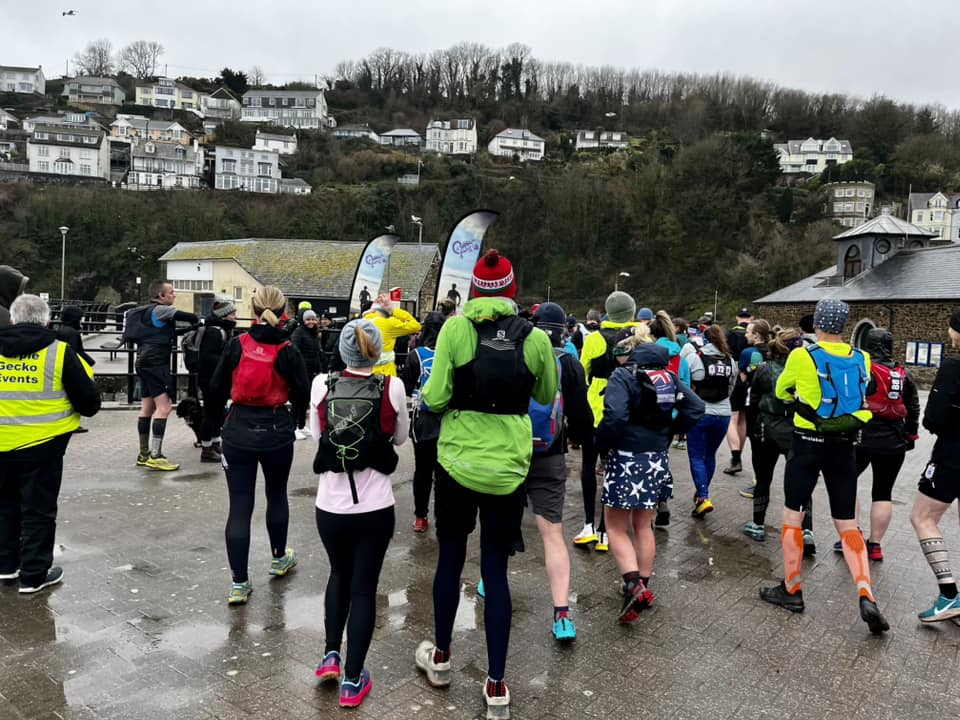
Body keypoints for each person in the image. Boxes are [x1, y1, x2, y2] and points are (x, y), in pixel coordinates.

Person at [414, 249, 557, 720]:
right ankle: (497, 684)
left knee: (450, 559)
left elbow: (434, 397)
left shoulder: (455, 329)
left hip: (457, 463)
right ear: (512, 291)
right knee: (494, 572)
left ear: (474, 290)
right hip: (509, 470)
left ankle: (440, 658)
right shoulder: (534, 338)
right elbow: (545, 394)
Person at [760, 299, 889, 634]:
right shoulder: (861, 357)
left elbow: (780, 389)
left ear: (817, 322)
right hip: (845, 446)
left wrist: (798, 397)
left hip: (807, 444)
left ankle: (792, 589)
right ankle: (866, 592)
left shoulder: (802, 356)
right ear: (844, 325)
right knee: (847, 524)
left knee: (793, 516)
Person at [311, 319, 408, 707]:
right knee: (364, 586)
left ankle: (330, 655)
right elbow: (400, 438)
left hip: (330, 505)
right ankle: (353, 680)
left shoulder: (322, 384)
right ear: (378, 350)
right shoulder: (392, 386)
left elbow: (317, 437)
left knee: (338, 574)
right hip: (375, 505)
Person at [208, 286, 310, 606]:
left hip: (238, 430)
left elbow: (215, 387)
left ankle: (239, 583)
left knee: (240, 506)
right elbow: (302, 391)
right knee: (276, 495)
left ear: (252, 310)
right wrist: (297, 420)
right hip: (276, 430)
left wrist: (216, 424)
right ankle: (279, 559)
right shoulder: (289, 348)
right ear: (284, 313)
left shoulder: (237, 344)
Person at [596, 325, 704, 622]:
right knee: (644, 525)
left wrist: (601, 441)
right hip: (656, 458)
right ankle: (644, 584)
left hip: (627, 456)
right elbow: (696, 407)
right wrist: (670, 429)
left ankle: (632, 585)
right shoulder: (668, 378)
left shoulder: (624, 376)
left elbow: (615, 416)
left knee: (615, 527)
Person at [0, 294, 100, 593]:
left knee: (4, 507)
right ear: (47, 320)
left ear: (13, 319)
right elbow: (90, 404)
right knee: (38, 511)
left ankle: (5, 565)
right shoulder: (59, 352)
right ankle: (33, 575)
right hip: (43, 446)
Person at [526, 302, 594, 640]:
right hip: (551, 453)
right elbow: (580, 415)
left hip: (512, 452)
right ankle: (562, 615)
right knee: (552, 533)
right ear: (564, 329)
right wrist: (585, 441)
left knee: (502, 523)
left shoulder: (520, 351)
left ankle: (488, 581)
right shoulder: (569, 362)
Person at [842, 328, 920, 560]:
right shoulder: (902, 373)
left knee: (847, 483)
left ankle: (851, 536)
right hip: (894, 441)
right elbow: (913, 407)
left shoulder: (861, 369)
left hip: (861, 437)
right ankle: (875, 546)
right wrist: (910, 435)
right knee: (883, 493)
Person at [575, 290, 641, 551]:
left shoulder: (594, 339)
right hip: (626, 411)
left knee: (589, 465)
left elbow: (583, 373)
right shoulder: (639, 338)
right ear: (631, 312)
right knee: (614, 470)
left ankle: (588, 525)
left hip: (595, 409)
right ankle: (606, 531)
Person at [742, 328, 816, 550]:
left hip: (767, 427)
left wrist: (752, 429)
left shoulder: (764, 369)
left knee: (763, 478)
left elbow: (753, 400)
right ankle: (806, 530)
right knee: (802, 481)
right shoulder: (808, 369)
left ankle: (757, 524)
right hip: (797, 428)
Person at [909, 309, 960, 622]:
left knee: (922, 517)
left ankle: (949, 594)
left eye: (951, 330)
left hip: (953, 455)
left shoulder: (954, 366)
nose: (949, 335)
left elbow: (934, 418)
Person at [129, 280, 198, 471]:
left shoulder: (149, 311)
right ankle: (156, 456)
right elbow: (188, 316)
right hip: (155, 363)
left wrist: (189, 330)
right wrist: (201, 321)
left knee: (147, 407)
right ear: (161, 296)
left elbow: (165, 332)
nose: (174, 295)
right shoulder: (163, 310)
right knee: (164, 408)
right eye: (171, 292)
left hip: (143, 361)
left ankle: (143, 454)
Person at [685, 325, 737, 517]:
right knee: (710, 455)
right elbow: (731, 388)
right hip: (723, 414)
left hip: (700, 413)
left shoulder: (695, 358)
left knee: (696, 456)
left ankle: (703, 496)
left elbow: (684, 385)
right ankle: (701, 493)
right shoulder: (730, 361)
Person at [402, 311, 447, 532]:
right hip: (448, 421)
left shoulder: (415, 356)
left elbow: (408, 389)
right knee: (443, 471)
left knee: (422, 469)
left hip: (423, 421)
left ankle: (421, 517)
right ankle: (442, 515)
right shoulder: (451, 354)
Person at [648, 311, 692, 524]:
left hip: (647, 415)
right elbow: (687, 392)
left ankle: (645, 503)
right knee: (661, 458)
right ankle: (662, 498)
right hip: (670, 417)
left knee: (643, 457)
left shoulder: (646, 355)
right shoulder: (680, 359)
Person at [735, 319, 773, 495]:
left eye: (749, 332)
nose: (745, 334)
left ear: (757, 335)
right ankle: (764, 481)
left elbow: (742, 378)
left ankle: (759, 484)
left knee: (756, 445)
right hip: (773, 403)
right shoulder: (775, 350)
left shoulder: (748, 352)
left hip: (754, 402)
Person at [196, 299, 236, 463]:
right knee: (211, 413)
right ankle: (206, 449)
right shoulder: (214, 332)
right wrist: (227, 358)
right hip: (211, 380)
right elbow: (207, 356)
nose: (235, 317)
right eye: (233, 314)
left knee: (218, 412)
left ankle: (215, 443)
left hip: (217, 379)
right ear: (224, 315)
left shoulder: (222, 330)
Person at [723, 307, 753, 475]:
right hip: (751, 379)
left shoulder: (730, 334)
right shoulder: (754, 335)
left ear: (737, 318)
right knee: (742, 418)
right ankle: (739, 453)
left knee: (732, 418)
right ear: (751, 318)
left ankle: (735, 457)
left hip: (735, 376)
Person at [56, 305, 95, 434]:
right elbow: (75, 352)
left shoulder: (62, 330)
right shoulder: (72, 333)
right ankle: (72, 423)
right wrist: (90, 362)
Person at [363, 294, 421, 377]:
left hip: (365, 370)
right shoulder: (389, 323)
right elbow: (416, 326)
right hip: (385, 372)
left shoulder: (364, 319)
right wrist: (393, 310)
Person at [291, 310, 323, 440]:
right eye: (308, 319)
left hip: (311, 371)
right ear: (303, 321)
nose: (311, 322)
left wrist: (319, 368)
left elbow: (316, 353)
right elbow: (294, 352)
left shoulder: (314, 334)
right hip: (300, 371)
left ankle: (301, 425)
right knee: (297, 400)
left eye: (313, 319)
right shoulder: (298, 333)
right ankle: (293, 427)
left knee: (305, 400)